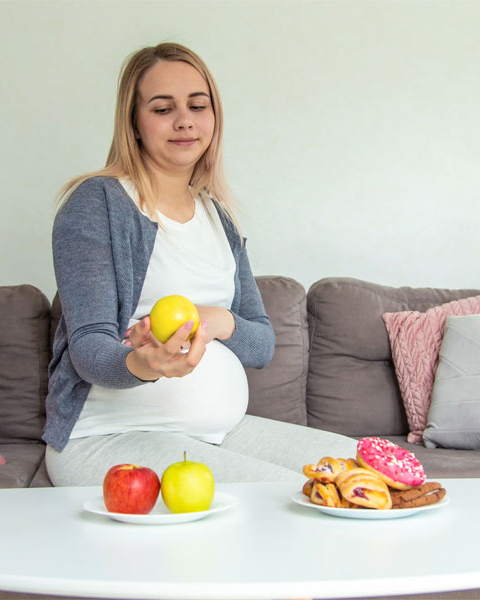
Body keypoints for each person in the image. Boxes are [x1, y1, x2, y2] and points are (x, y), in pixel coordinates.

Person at [44, 42, 356, 486]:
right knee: (293, 498)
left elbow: (262, 344)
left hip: (217, 434)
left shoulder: (218, 215)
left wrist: (215, 319)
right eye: (162, 108)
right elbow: (90, 349)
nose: (185, 120)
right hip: (110, 438)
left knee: (365, 467)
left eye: (197, 104)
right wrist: (146, 364)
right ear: (133, 122)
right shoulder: (97, 203)